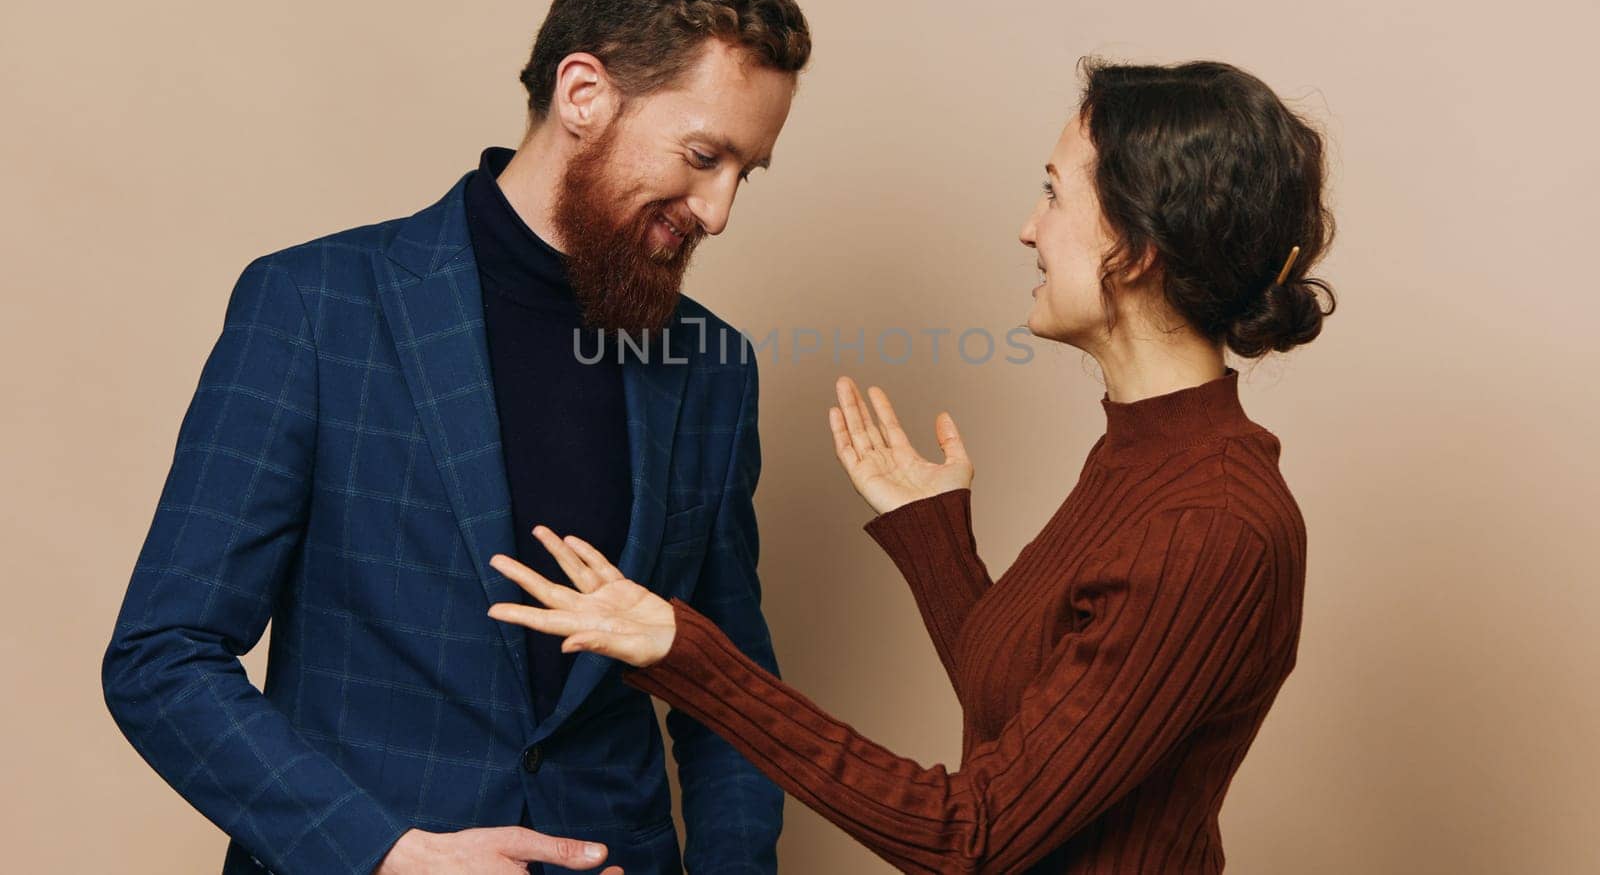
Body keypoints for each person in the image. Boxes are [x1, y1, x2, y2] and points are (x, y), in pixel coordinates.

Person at [485, 59, 1337, 873]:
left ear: (1139, 246)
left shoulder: (1208, 520)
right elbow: (1036, 719)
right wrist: (936, 539)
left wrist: (690, 654)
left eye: (1054, 192)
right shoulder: (1148, 458)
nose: (1029, 227)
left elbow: (977, 836)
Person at [102, 0, 810, 875]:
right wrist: (385, 851)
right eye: (702, 157)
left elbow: (734, 697)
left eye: (745, 172)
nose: (720, 212)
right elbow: (162, 656)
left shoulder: (713, 366)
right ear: (584, 93)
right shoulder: (314, 307)